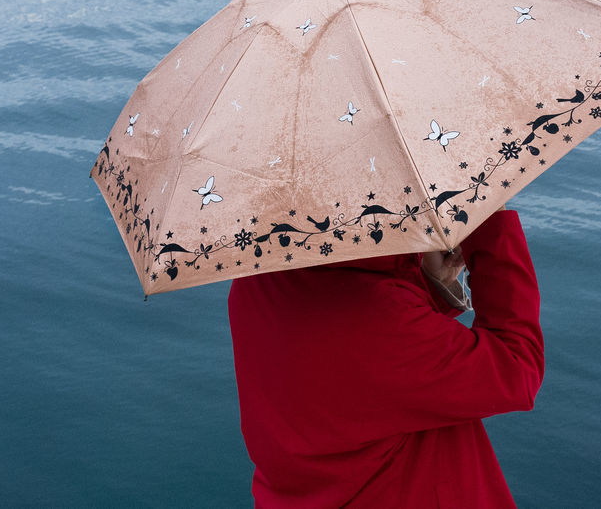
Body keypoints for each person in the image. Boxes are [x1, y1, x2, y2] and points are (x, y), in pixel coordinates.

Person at [228, 208, 544, 507]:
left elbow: (361, 377)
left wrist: (427, 285)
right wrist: (490, 221)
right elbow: (517, 366)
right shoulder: (380, 316)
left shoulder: (254, 282)